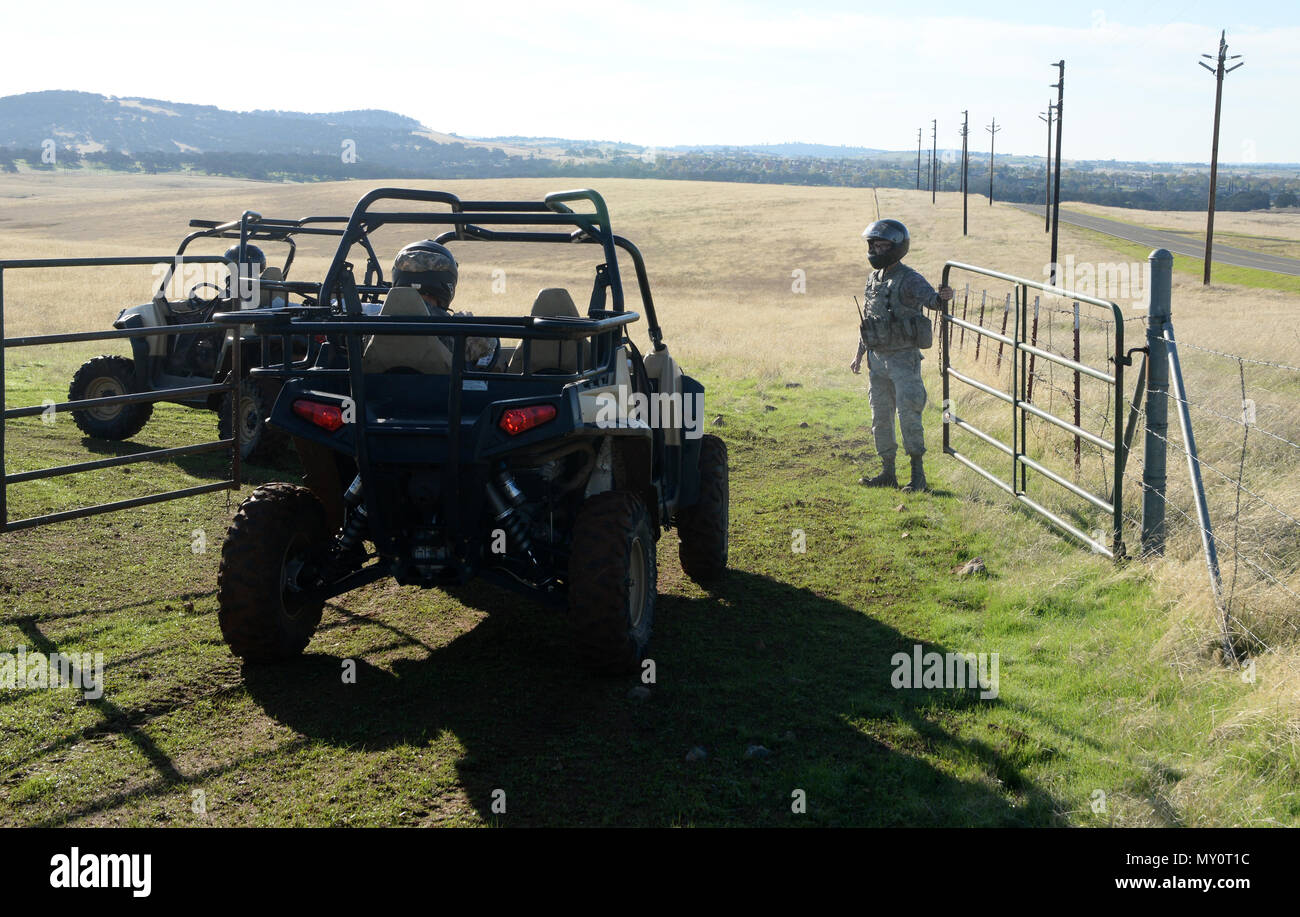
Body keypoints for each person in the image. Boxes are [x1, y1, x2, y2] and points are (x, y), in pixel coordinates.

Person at [849, 219, 954, 493]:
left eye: (883, 245)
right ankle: (887, 472)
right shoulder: (873, 279)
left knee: (909, 415)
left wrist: (943, 297)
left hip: (903, 361)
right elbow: (869, 321)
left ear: (896, 247)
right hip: (877, 360)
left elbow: (933, 301)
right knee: (880, 416)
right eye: (874, 244)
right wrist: (859, 355)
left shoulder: (909, 278)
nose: (877, 249)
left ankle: (918, 476)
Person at [390, 240, 497, 366]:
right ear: (448, 283)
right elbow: (491, 344)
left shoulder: (376, 319)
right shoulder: (456, 329)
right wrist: (465, 320)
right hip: (439, 385)